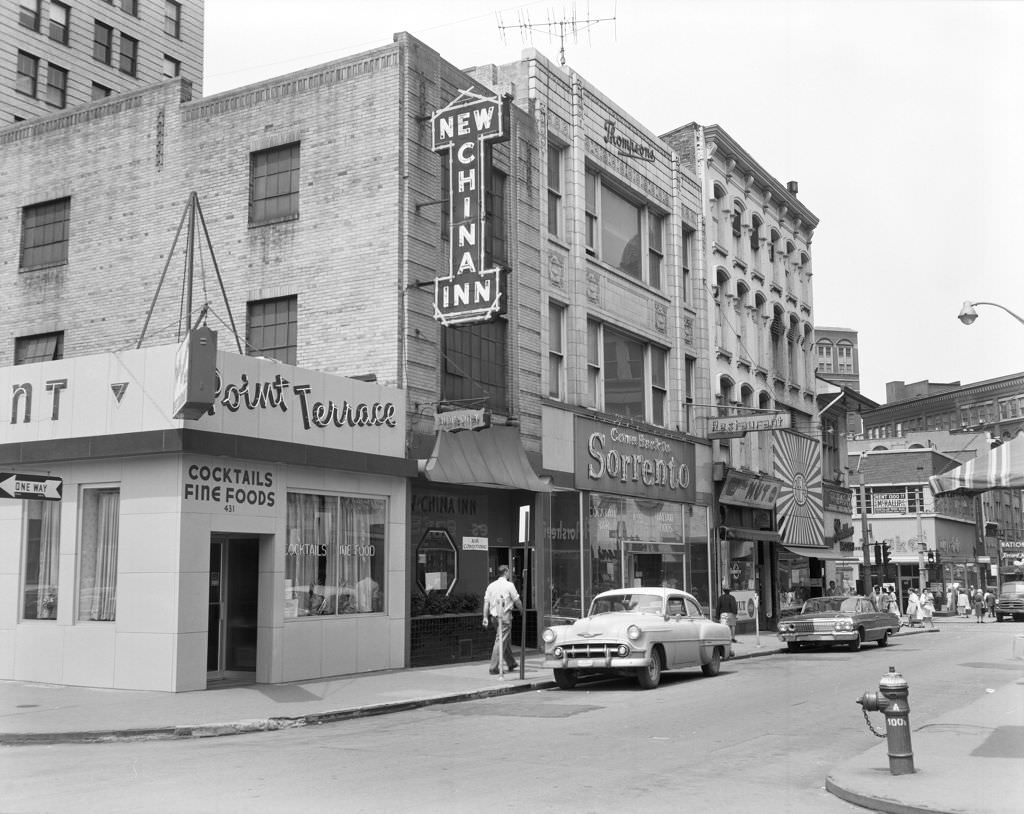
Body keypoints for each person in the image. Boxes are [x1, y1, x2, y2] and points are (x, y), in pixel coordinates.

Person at [482, 565, 522, 675]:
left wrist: (485, 617)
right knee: (500, 641)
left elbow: (486, 602)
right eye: (508, 571)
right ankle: (494, 667)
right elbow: (517, 600)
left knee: (504, 639)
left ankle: (511, 663)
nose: (509, 573)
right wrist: (522, 610)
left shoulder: (491, 586)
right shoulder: (509, 585)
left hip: (494, 617)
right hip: (505, 616)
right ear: (505, 572)